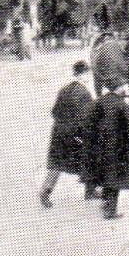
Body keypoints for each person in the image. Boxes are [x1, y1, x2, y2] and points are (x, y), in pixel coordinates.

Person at [40, 61, 96, 207]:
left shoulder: (65, 89)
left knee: (57, 164)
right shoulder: (83, 92)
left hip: (59, 132)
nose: (89, 76)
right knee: (90, 157)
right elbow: (86, 118)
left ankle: (45, 192)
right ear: (82, 74)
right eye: (87, 73)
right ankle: (90, 190)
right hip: (74, 134)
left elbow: (54, 111)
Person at [86, 80, 129, 219]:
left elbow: (90, 122)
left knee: (105, 173)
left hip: (101, 145)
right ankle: (110, 211)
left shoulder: (99, 101)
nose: (124, 89)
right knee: (116, 177)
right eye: (123, 86)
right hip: (118, 146)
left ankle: (105, 201)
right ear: (119, 88)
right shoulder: (121, 104)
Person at [91, 32, 129, 97]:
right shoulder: (117, 46)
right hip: (117, 79)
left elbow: (95, 68)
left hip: (107, 77)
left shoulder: (97, 50)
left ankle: (99, 99)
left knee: (99, 86)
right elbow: (124, 65)